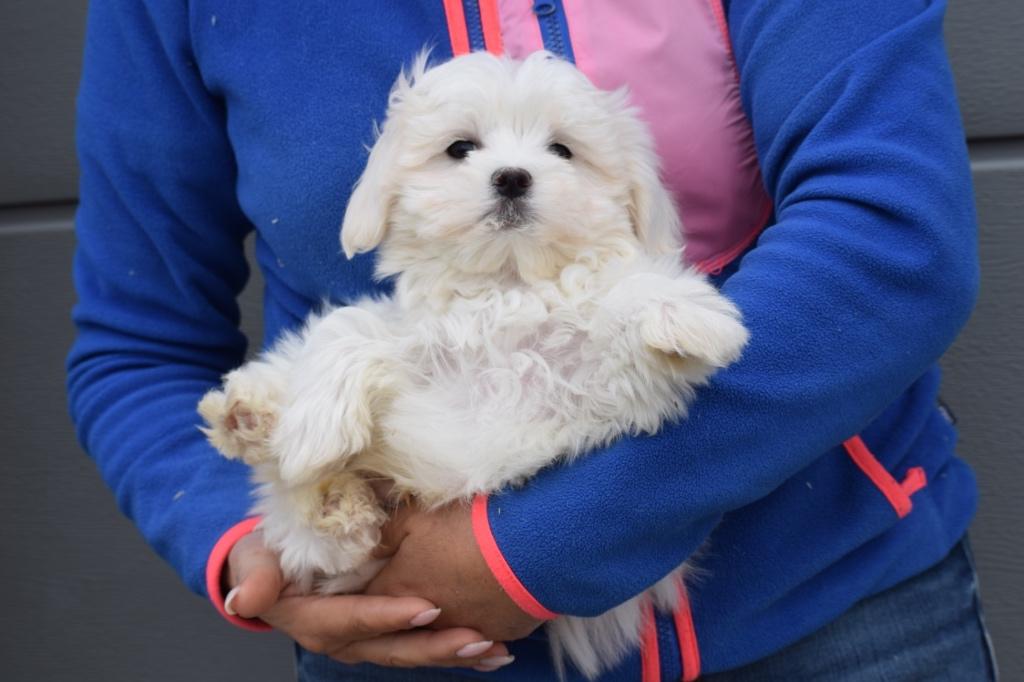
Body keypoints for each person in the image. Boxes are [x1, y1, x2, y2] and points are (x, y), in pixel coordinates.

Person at [67, 1, 997, 680]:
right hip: (421, 650)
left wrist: (529, 548)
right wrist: (250, 549)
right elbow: (136, 343)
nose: (509, 175)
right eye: (463, 151)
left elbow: (892, 237)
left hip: (836, 612)